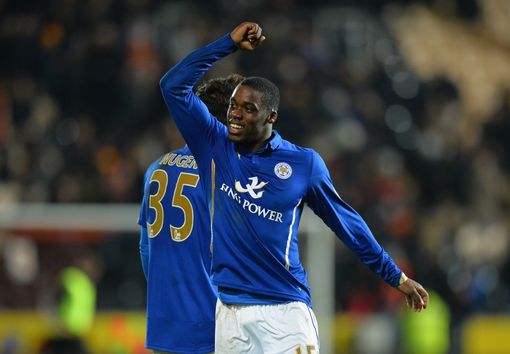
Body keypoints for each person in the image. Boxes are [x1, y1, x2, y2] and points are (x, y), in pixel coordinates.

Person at [160, 22, 429, 353]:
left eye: (248, 109)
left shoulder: (304, 164)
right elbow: (172, 85)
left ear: (271, 116)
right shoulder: (212, 143)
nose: (235, 115)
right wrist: (227, 44)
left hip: (285, 313)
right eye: (233, 106)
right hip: (228, 314)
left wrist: (395, 276)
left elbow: (347, 225)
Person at [138, 74, 244, 354]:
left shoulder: (156, 168)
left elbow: (146, 248)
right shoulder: (227, 174)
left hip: (164, 327)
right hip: (213, 329)